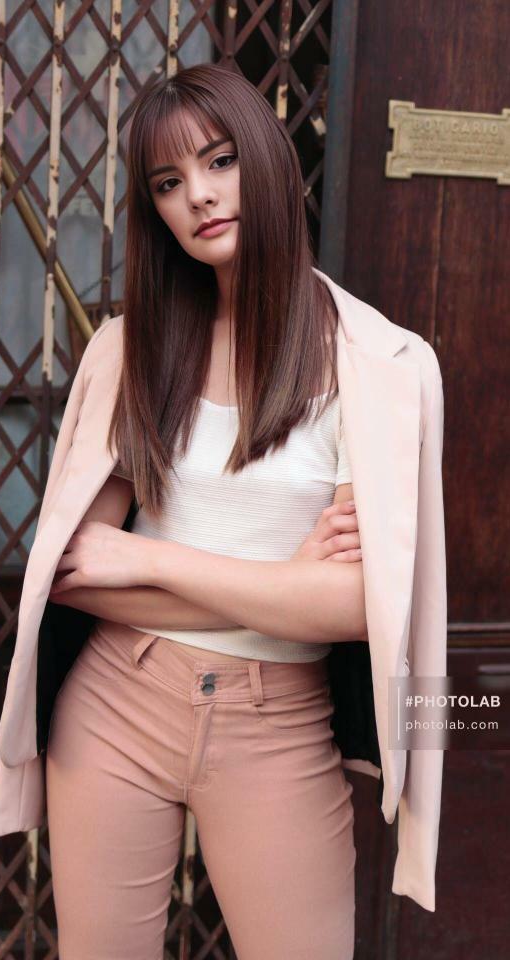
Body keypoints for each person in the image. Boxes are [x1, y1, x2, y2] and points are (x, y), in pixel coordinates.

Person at [41, 63, 370, 959]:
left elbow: (354, 606)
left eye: (220, 161)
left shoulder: (374, 362)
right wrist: (285, 587)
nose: (199, 196)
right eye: (168, 182)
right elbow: (71, 571)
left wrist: (148, 558)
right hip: (115, 702)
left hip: (280, 723)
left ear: (264, 159)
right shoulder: (132, 351)